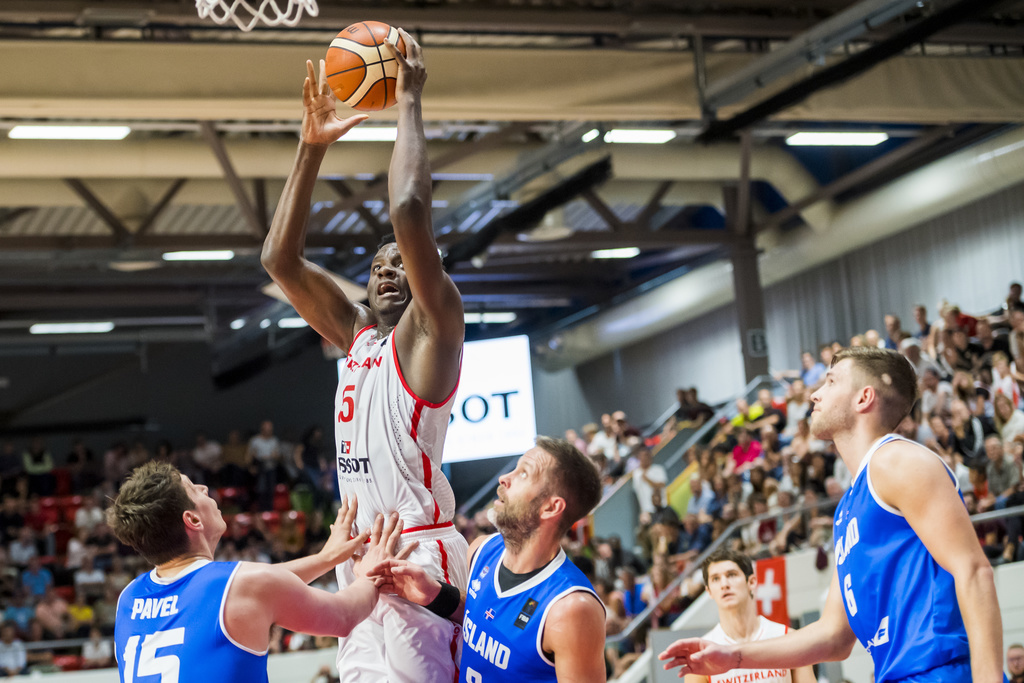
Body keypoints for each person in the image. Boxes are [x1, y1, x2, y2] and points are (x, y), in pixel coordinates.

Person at [260, 32, 469, 683]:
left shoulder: (433, 331)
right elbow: (279, 261)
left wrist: (409, 100)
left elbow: (408, 208)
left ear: (423, 275)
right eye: (377, 266)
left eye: (401, 264)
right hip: (359, 560)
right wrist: (311, 146)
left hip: (418, 556)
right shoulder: (359, 338)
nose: (387, 273)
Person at [660, 346, 1003, 682]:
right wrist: (734, 656)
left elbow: (973, 571)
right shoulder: (846, 508)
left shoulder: (897, 461)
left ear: (864, 398)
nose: (815, 395)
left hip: (943, 669)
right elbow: (833, 636)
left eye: (831, 382)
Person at [109, 461, 407, 683]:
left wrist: (325, 558)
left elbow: (262, 585)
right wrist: (372, 573)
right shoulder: (240, 586)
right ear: (193, 520)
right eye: (193, 488)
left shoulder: (128, 597)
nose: (204, 489)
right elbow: (341, 618)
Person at [373, 437, 607, 682]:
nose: (504, 478)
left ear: (550, 507)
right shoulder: (481, 550)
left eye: (524, 474)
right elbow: (490, 622)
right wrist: (434, 593)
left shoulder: (571, 608)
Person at [686, 549, 814, 683]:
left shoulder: (789, 639)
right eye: (716, 579)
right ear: (709, 591)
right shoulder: (701, 655)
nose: (724, 584)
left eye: (731, 575)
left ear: (752, 582)